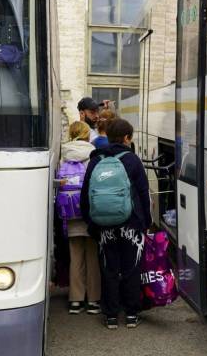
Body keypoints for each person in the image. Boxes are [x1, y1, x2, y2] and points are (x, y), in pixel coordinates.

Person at [80, 118, 151, 330]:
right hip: (131, 222)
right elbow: (143, 193)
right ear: (127, 138)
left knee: (109, 268)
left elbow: (86, 195)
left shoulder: (95, 159)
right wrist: (146, 221)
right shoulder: (133, 160)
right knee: (131, 267)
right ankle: (131, 314)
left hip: (103, 224)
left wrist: (91, 221)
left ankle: (111, 315)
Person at [59, 121, 102, 315]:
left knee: (75, 256)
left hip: (69, 211)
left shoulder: (64, 155)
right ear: (86, 135)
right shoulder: (92, 154)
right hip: (89, 211)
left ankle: (75, 300)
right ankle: (93, 300)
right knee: (92, 256)